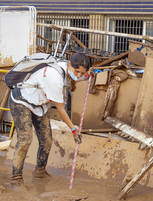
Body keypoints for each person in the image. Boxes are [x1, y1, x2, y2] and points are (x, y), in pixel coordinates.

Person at [9, 52, 91, 188]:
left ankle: (40, 171)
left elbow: (75, 78)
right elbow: (61, 110)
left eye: (81, 73)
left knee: (46, 140)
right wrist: (72, 128)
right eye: (77, 71)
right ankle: (16, 179)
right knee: (25, 141)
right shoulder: (54, 78)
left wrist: (87, 76)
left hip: (38, 105)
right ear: (69, 64)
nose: (78, 75)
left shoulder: (67, 69)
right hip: (21, 101)